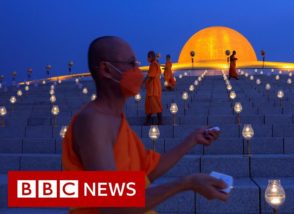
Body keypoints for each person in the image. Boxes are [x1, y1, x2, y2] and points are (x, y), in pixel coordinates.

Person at [62, 36, 228, 214]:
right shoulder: (93, 122)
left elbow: (147, 172)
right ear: (106, 69)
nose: (138, 71)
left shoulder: (116, 118)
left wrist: (192, 139)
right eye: (131, 63)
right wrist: (185, 183)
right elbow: (113, 205)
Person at [144, 51, 163, 125]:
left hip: (153, 88)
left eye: (148, 57)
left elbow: (150, 75)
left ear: (151, 57)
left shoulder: (154, 64)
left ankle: (160, 120)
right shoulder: (154, 64)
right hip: (151, 88)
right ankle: (147, 120)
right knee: (150, 105)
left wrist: (143, 82)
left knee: (155, 104)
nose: (147, 59)